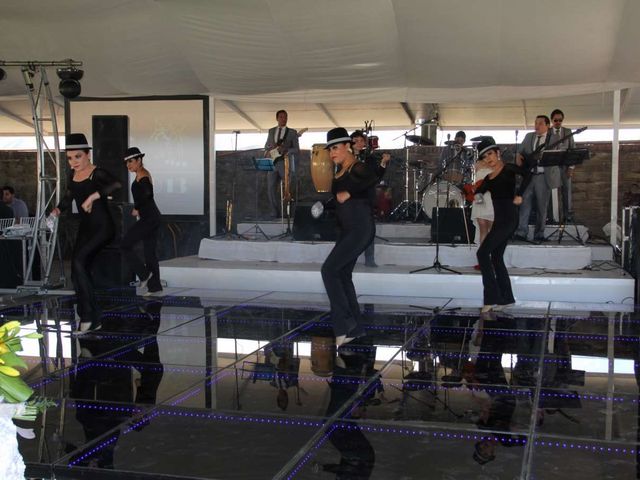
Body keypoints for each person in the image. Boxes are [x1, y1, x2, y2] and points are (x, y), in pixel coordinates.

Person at [51, 133, 121, 331]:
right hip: (86, 226)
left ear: (88, 154)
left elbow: (117, 185)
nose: (74, 162)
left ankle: (90, 316)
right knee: (76, 269)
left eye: (78, 156)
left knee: (80, 262)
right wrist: (57, 210)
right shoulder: (73, 175)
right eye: (70, 158)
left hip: (103, 226)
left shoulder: (97, 173)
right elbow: (68, 197)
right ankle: (90, 315)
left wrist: (92, 197)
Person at [321, 127, 378, 347]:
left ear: (347, 146)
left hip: (361, 229)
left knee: (329, 270)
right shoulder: (339, 172)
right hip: (347, 230)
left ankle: (343, 325)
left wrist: (350, 192)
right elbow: (339, 200)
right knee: (342, 274)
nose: (332, 153)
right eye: (330, 149)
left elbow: (372, 178)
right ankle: (355, 328)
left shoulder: (358, 167)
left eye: (336, 148)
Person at [474, 137, 531, 312]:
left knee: (482, 253)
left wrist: (520, 194)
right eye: (484, 157)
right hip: (500, 220)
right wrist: (478, 195)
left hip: (509, 219)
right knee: (496, 257)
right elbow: (478, 192)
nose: (488, 159)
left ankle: (490, 299)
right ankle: (506, 299)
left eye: (490, 154)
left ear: (498, 153)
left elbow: (528, 174)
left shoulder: (508, 169)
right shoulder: (489, 178)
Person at [120, 147, 163, 295]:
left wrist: (137, 207)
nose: (128, 165)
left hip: (150, 219)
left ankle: (144, 275)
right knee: (149, 253)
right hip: (151, 218)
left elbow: (148, 194)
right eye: (126, 162)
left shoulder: (143, 175)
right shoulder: (140, 174)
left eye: (131, 161)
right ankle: (155, 287)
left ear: (139, 160)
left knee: (125, 245)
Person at [514, 115, 559, 242]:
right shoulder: (529, 136)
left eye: (540, 123)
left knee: (542, 206)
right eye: (535, 123)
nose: (537, 125)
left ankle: (539, 233)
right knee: (524, 204)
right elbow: (520, 150)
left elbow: (557, 155)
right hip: (529, 176)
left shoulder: (554, 139)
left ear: (547, 126)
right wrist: (518, 156)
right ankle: (521, 232)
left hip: (543, 177)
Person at [351, 130, 391, 268]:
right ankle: (350, 258)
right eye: (356, 140)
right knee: (351, 230)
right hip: (351, 199)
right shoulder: (345, 158)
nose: (360, 143)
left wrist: (383, 163)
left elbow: (377, 176)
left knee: (369, 229)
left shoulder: (369, 158)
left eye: (362, 140)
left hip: (366, 198)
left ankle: (370, 259)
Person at [264, 110, 300, 218]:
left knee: (288, 188)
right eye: (281, 117)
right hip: (273, 163)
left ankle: (288, 213)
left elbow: (296, 149)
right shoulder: (271, 131)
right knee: (270, 188)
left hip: (285, 163)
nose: (283, 119)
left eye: (285, 117)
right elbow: (266, 146)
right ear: (277, 118)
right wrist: (269, 150)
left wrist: (286, 150)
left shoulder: (292, 132)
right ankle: (275, 212)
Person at [550, 109, 576, 222]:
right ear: (551, 120)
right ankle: (552, 217)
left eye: (560, 120)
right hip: (552, 167)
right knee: (552, 193)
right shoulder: (548, 132)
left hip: (565, 167)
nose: (558, 122)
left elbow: (573, 149)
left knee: (567, 191)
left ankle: (568, 216)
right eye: (556, 120)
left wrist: (571, 167)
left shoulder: (568, 131)